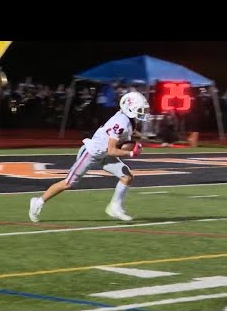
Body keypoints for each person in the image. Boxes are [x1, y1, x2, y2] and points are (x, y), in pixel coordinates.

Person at [28, 91, 149, 222]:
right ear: (129, 108)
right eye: (140, 110)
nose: (142, 113)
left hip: (103, 154)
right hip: (91, 152)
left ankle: (115, 206)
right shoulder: (121, 122)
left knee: (127, 176)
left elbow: (116, 145)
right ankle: (38, 201)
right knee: (68, 183)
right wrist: (131, 152)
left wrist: (131, 144)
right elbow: (112, 150)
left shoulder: (128, 120)